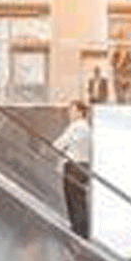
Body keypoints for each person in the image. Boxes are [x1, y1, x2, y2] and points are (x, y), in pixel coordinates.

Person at [54, 100, 92, 238]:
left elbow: (63, 142)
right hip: (81, 165)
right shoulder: (83, 127)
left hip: (75, 166)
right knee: (77, 198)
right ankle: (80, 228)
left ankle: (79, 229)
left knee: (74, 197)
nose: (70, 113)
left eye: (72, 110)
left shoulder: (78, 127)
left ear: (80, 112)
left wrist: (55, 145)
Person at [110, 32, 131, 104]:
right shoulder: (116, 54)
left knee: (130, 99)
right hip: (119, 79)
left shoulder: (129, 55)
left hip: (128, 79)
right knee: (120, 99)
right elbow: (113, 64)